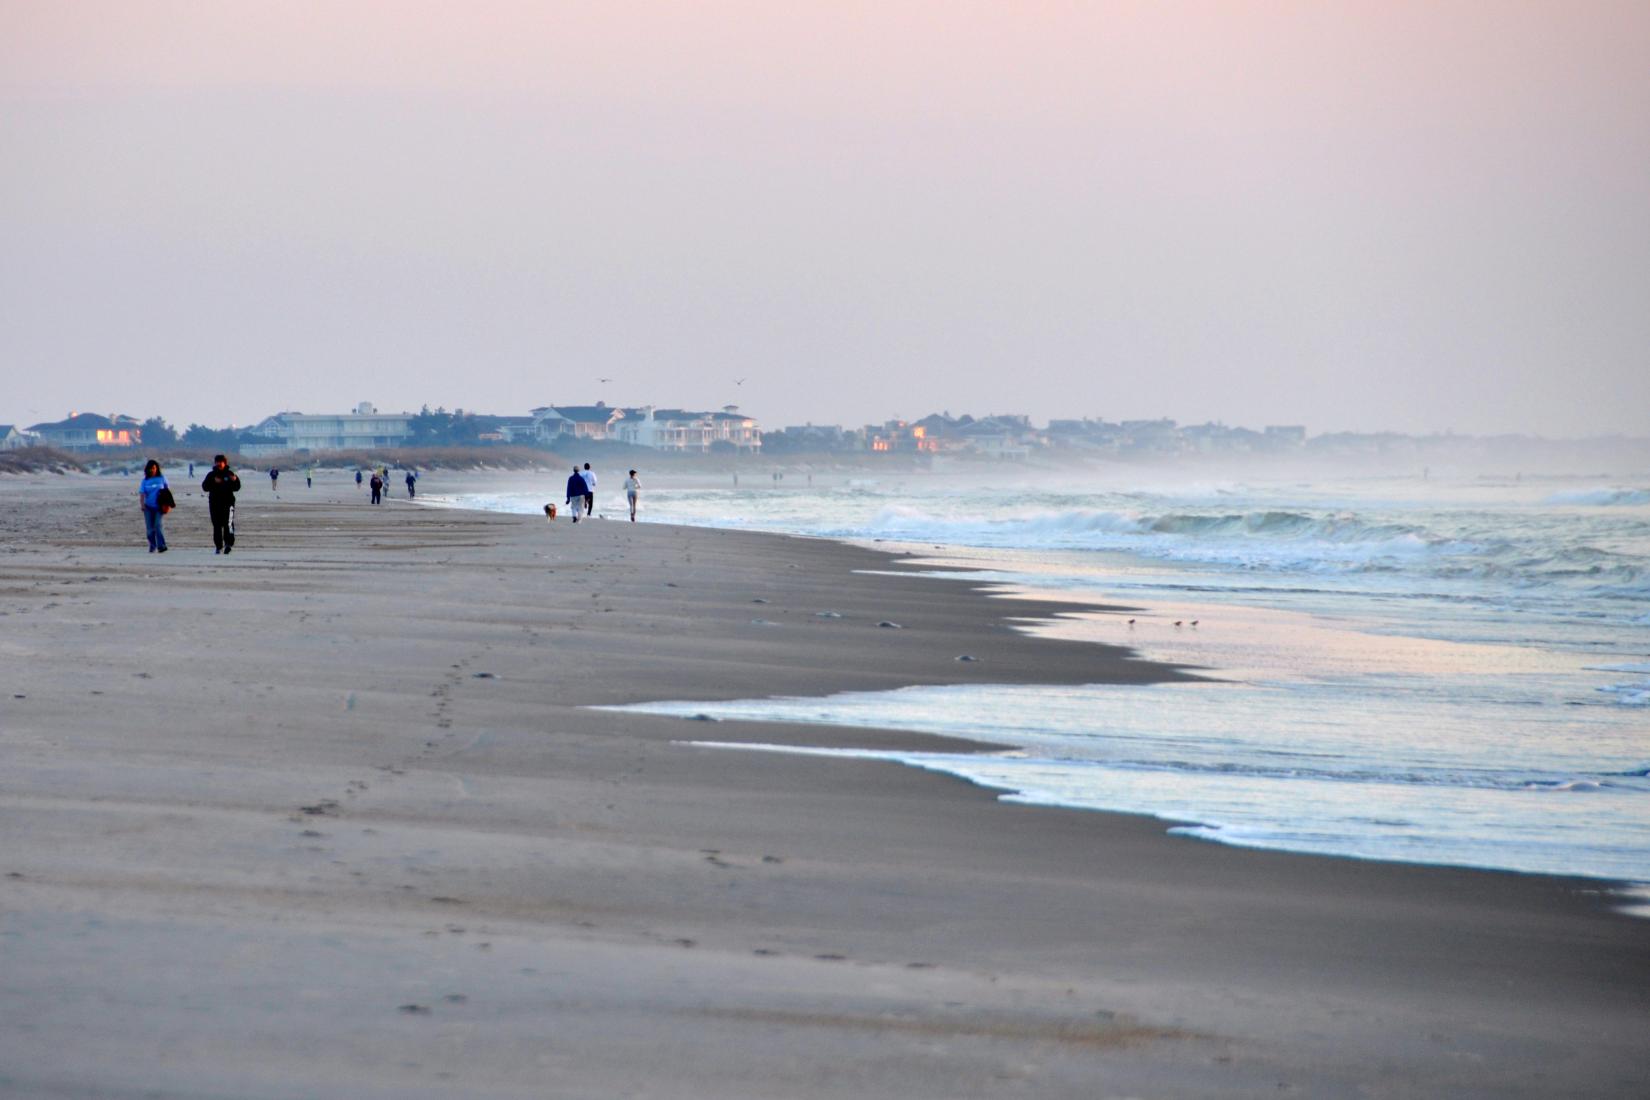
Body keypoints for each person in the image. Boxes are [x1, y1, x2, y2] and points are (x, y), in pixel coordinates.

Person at [200, 454, 241, 554]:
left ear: (225, 463)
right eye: (217, 462)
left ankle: (228, 544)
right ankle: (218, 546)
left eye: (220, 462)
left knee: (229, 524)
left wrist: (235, 480)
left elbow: (237, 487)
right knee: (217, 525)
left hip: (229, 503)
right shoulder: (211, 475)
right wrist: (213, 482)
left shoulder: (230, 474)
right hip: (215, 504)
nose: (219, 464)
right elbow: (205, 487)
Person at [138, 459, 170, 553]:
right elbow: (142, 494)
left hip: (159, 507)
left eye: (154, 468)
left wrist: (168, 504)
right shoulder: (145, 481)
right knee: (149, 529)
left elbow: (167, 492)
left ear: (156, 468)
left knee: (158, 525)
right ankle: (152, 545)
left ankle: (161, 545)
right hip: (148, 507)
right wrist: (142, 505)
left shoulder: (162, 478)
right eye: (151, 468)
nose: (152, 470)